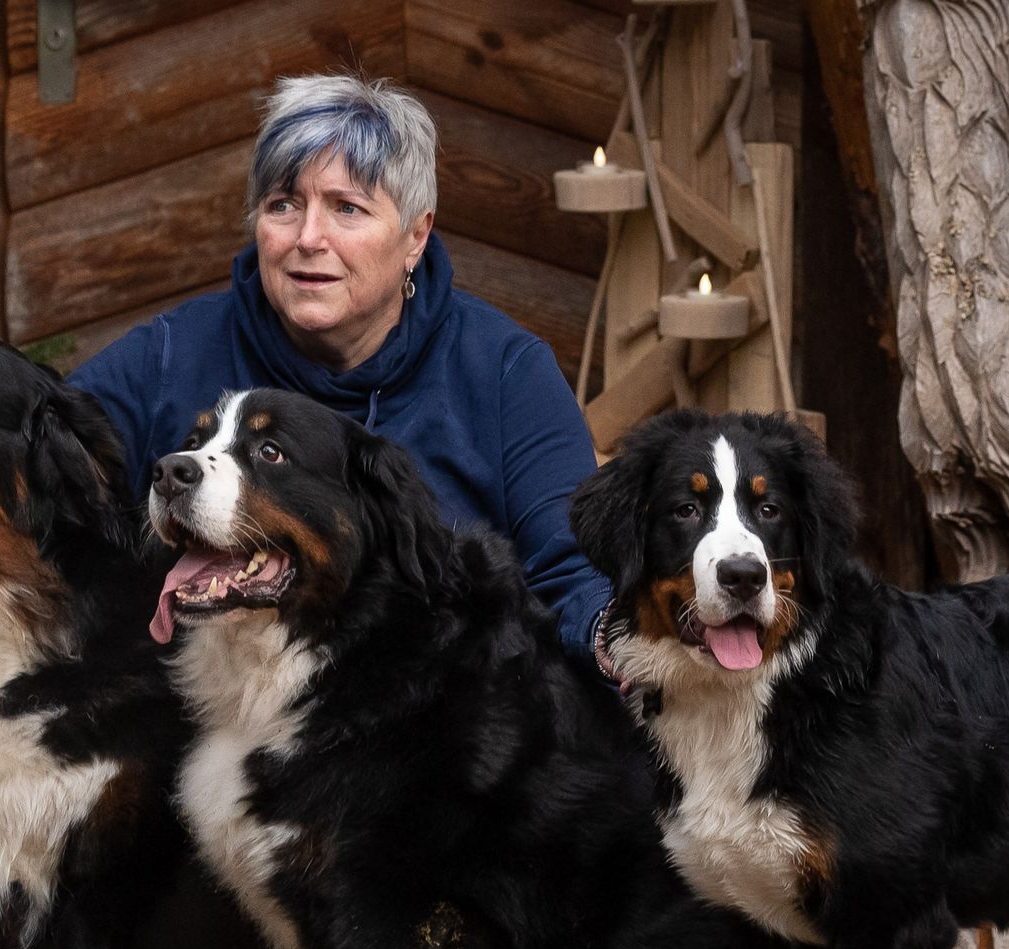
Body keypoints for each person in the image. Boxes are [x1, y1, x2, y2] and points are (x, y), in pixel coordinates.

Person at [68, 74, 611, 656]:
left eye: (347, 208)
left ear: (416, 234)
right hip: (195, 695)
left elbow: (573, 572)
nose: (308, 237)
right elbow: (48, 469)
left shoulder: (505, 371)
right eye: (283, 205)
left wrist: (611, 642)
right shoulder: (172, 353)